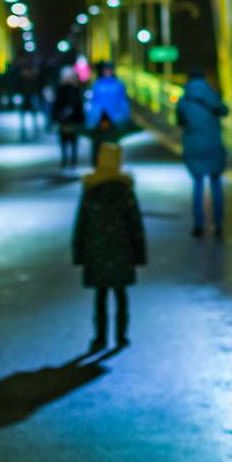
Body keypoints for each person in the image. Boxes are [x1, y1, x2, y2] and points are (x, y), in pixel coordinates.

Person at [71, 143, 146, 351]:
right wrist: (139, 255)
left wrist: (79, 254)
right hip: (122, 253)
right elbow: (135, 225)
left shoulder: (90, 190)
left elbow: (81, 224)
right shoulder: (125, 190)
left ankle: (100, 337)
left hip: (97, 253)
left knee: (100, 296)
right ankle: (122, 336)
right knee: (121, 296)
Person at [176, 67, 229, 237]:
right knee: (216, 184)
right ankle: (218, 224)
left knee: (198, 185)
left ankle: (198, 225)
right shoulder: (212, 95)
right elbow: (224, 110)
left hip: (194, 147)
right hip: (213, 145)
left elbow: (180, 121)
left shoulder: (184, 101)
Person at [84, 61, 132, 168]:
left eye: (109, 69)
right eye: (106, 69)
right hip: (100, 118)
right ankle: (97, 163)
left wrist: (125, 117)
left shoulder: (118, 84)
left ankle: (113, 164)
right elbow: (94, 102)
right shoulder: (98, 84)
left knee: (113, 141)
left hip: (114, 118)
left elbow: (122, 101)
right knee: (99, 142)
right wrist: (91, 118)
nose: (108, 71)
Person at [53, 70, 86, 169]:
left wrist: (81, 119)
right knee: (64, 140)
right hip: (63, 120)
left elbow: (79, 105)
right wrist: (56, 117)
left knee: (73, 140)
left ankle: (73, 160)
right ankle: (65, 159)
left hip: (73, 120)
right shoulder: (60, 90)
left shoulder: (75, 90)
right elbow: (56, 105)